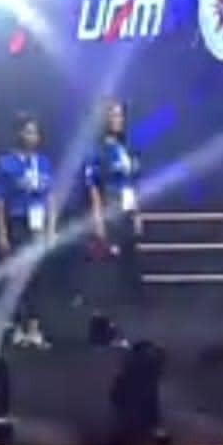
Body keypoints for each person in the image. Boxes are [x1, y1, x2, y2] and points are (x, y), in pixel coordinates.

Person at [0, 114, 53, 349]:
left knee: (38, 277)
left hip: (38, 225)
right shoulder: (6, 163)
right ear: (19, 133)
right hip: (17, 222)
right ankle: (18, 325)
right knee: (18, 277)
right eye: (28, 132)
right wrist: (2, 232)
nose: (33, 136)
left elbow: (50, 197)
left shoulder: (44, 162)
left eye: (35, 132)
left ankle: (35, 328)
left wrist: (51, 228)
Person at [85, 99, 143, 305]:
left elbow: (133, 182)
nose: (118, 120)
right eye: (114, 115)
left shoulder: (127, 148)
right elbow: (93, 187)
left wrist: (137, 214)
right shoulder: (98, 151)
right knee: (111, 262)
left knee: (130, 259)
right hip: (111, 209)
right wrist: (98, 219)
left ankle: (132, 304)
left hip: (128, 209)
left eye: (120, 115)